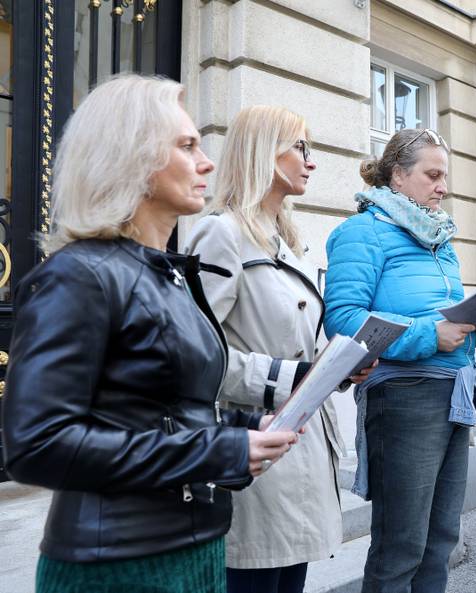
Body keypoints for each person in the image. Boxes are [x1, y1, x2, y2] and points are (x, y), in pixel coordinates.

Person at [1, 75, 297, 593]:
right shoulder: (78, 274)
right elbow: (37, 444)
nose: (207, 162)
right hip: (118, 564)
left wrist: (245, 429)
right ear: (129, 157)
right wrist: (216, 451)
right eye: (187, 146)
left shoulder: (167, 273)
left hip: (196, 546)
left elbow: (165, 406)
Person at [184, 106, 372, 593]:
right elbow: (196, 356)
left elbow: (302, 342)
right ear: (264, 153)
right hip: (254, 453)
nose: (311, 161)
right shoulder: (221, 234)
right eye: (300, 148)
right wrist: (295, 377)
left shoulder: (287, 243)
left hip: (303, 449)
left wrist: (338, 369)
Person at [323, 128, 476, 593]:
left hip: (454, 393)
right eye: (433, 174)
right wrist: (429, 334)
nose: (443, 186)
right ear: (398, 176)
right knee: (400, 545)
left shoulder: (438, 237)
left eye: (445, 176)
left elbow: (443, 322)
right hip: (403, 397)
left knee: (440, 539)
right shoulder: (361, 232)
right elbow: (344, 320)